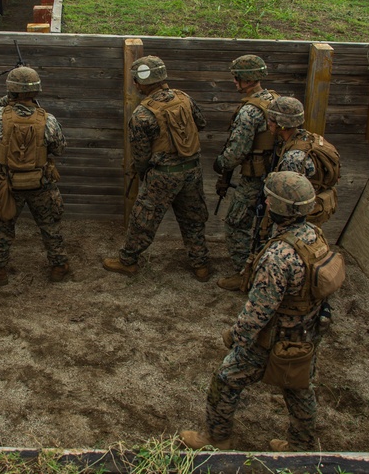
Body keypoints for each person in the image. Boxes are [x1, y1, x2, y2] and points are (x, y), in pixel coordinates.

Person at [179, 172, 330, 452]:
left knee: (226, 379)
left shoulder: (277, 257)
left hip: (275, 337)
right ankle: (302, 446)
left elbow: (258, 312)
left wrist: (234, 335)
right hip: (307, 332)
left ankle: (216, 437)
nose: (267, 202)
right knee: (299, 388)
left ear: (280, 207)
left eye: (270, 199)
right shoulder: (315, 236)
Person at [102, 55, 211, 281]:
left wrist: (143, 172)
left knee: (144, 219)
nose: (135, 84)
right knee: (193, 219)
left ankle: (127, 261)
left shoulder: (142, 114)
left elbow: (140, 156)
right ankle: (200, 265)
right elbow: (201, 123)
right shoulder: (184, 98)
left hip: (163, 176)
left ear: (142, 81)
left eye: (136, 79)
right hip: (192, 170)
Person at [0, 66, 69, 285]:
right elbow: (59, 149)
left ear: (11, 91)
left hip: (8, 183)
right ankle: (58, 267)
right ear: (36, 91)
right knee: (49, 225)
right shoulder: (47, 119)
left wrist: (9, 97)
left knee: (2, 226)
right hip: (40, 182)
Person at [213, 55, 278, 291]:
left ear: (248, 79)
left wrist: (220, 164)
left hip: (255, 179)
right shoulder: (275, 100)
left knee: (235, 222)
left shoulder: (249, 112)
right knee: (265, 226)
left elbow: (235, 153)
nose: (234, 81)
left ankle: (245, 274)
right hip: (276, 177)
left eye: (237, 77)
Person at [267, 97, 340, 226]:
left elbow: (287, 200)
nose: (268, 123)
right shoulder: (306, 138)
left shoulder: (293, 158)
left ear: (282, 124)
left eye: (272, 120)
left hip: (297, 219)